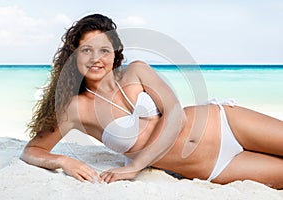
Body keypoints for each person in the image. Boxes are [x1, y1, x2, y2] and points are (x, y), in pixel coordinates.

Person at [20, 13, 283, 189]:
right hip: (215, 167)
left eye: (104, 50)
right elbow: (32, 151)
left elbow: (175, 114)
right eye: (86, 50)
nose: (96, 58)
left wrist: (135, 165)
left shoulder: (137, 70)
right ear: (74, 56)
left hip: (226, 122)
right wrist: (65, 161)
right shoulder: (75, 108)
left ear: (115, 53)